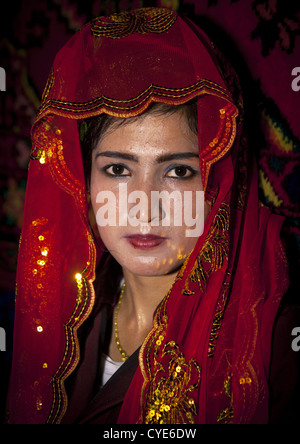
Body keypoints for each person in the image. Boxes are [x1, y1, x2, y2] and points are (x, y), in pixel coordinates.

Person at [7, 7, 298, 424]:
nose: (145, 204)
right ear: (82, 181)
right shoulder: (61, 309)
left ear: (218, 184)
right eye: (118, 169)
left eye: (178, 171)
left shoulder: (271, 344)